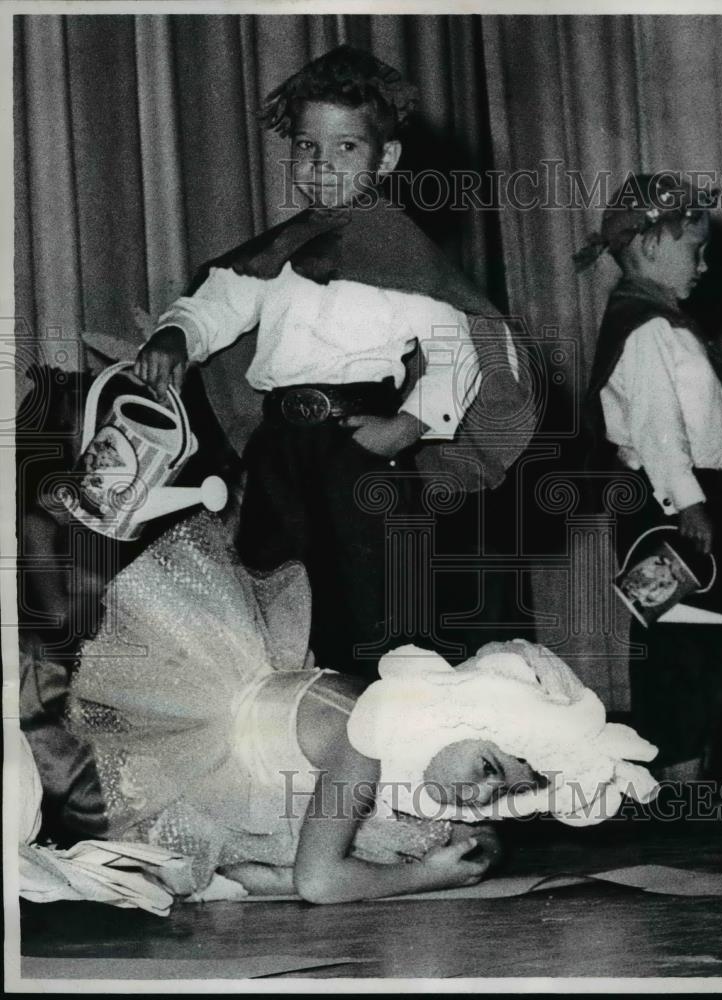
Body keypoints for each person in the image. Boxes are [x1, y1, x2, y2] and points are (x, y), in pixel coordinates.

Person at [132, 46, 534, 675]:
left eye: (346, 148)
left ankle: (389, 718)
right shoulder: (282, 250)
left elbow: (457, 345)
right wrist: (177, 335)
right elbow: (218, 301)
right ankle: (292, 719)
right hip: (280, 443)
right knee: (270, 580)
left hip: (361, 441)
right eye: (305, 146)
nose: (321, 165)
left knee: (376, 598)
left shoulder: (403, 255)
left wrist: (408, 425)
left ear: (387, 158)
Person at [61, 512, 658, 904]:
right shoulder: (365, 739)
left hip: (286, 758)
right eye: (488, 772)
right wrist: (432, 875)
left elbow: (475, 822)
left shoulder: (423, 733)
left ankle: (271, 867)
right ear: (460, 716)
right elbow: (318, 885)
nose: (483, 798)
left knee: (423, 830)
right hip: (196, 749)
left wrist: (482, 842)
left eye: (504, 791)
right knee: (335, 862)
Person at [577, 172, 722, 781]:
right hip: (665, 507)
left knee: (702, 637)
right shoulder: (647, 330)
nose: (704, 265)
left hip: (684, 498)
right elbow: (658, 430)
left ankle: (694, 772)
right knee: (679, 641)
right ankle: (680, 778)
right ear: (651, 244)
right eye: (695, 249)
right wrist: (690, 504)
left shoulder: (662, 324)